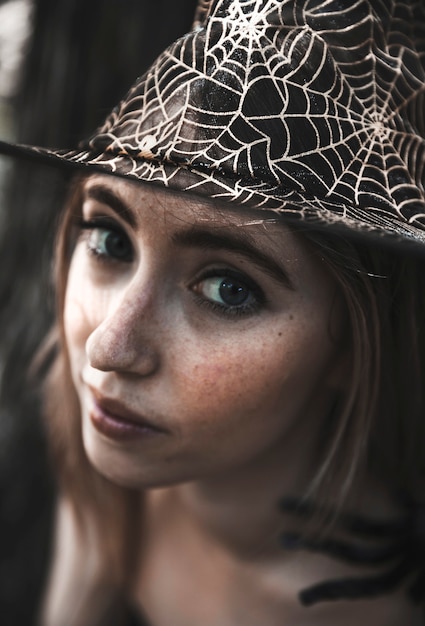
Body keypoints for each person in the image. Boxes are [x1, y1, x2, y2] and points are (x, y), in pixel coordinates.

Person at [1, 0, 425, 624]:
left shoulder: (378, 608)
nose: (107, 349)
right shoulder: (104, 479)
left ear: (356, 347)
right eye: (111, 240)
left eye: (229, 288)